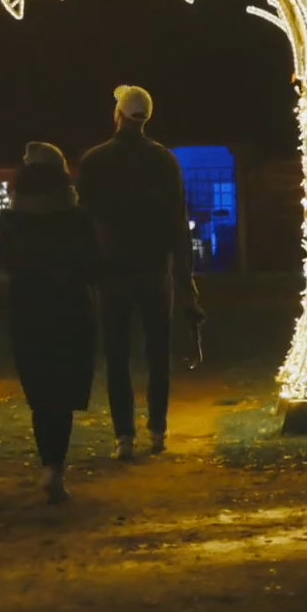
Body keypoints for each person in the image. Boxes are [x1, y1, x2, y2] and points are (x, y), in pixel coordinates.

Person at [76, 84, 204, 460]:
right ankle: (158, 430)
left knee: (117, 356)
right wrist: (184, 278)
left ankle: (124, 435)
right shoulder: (164, 161)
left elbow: (86, 221)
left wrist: (90, 269)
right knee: (157, 353)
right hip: (154, 271)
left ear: (118, 114)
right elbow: (178, 224)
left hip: (113, 272)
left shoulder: (96, 161)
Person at [0, 142, 100, 503]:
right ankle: (56, 466)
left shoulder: (13, 219)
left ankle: (48, 464)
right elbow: (93, 264)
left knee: (41, 395)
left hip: (29, 311)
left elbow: (3, 261)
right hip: (70, 310)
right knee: (63, 394)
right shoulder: (75, 217)